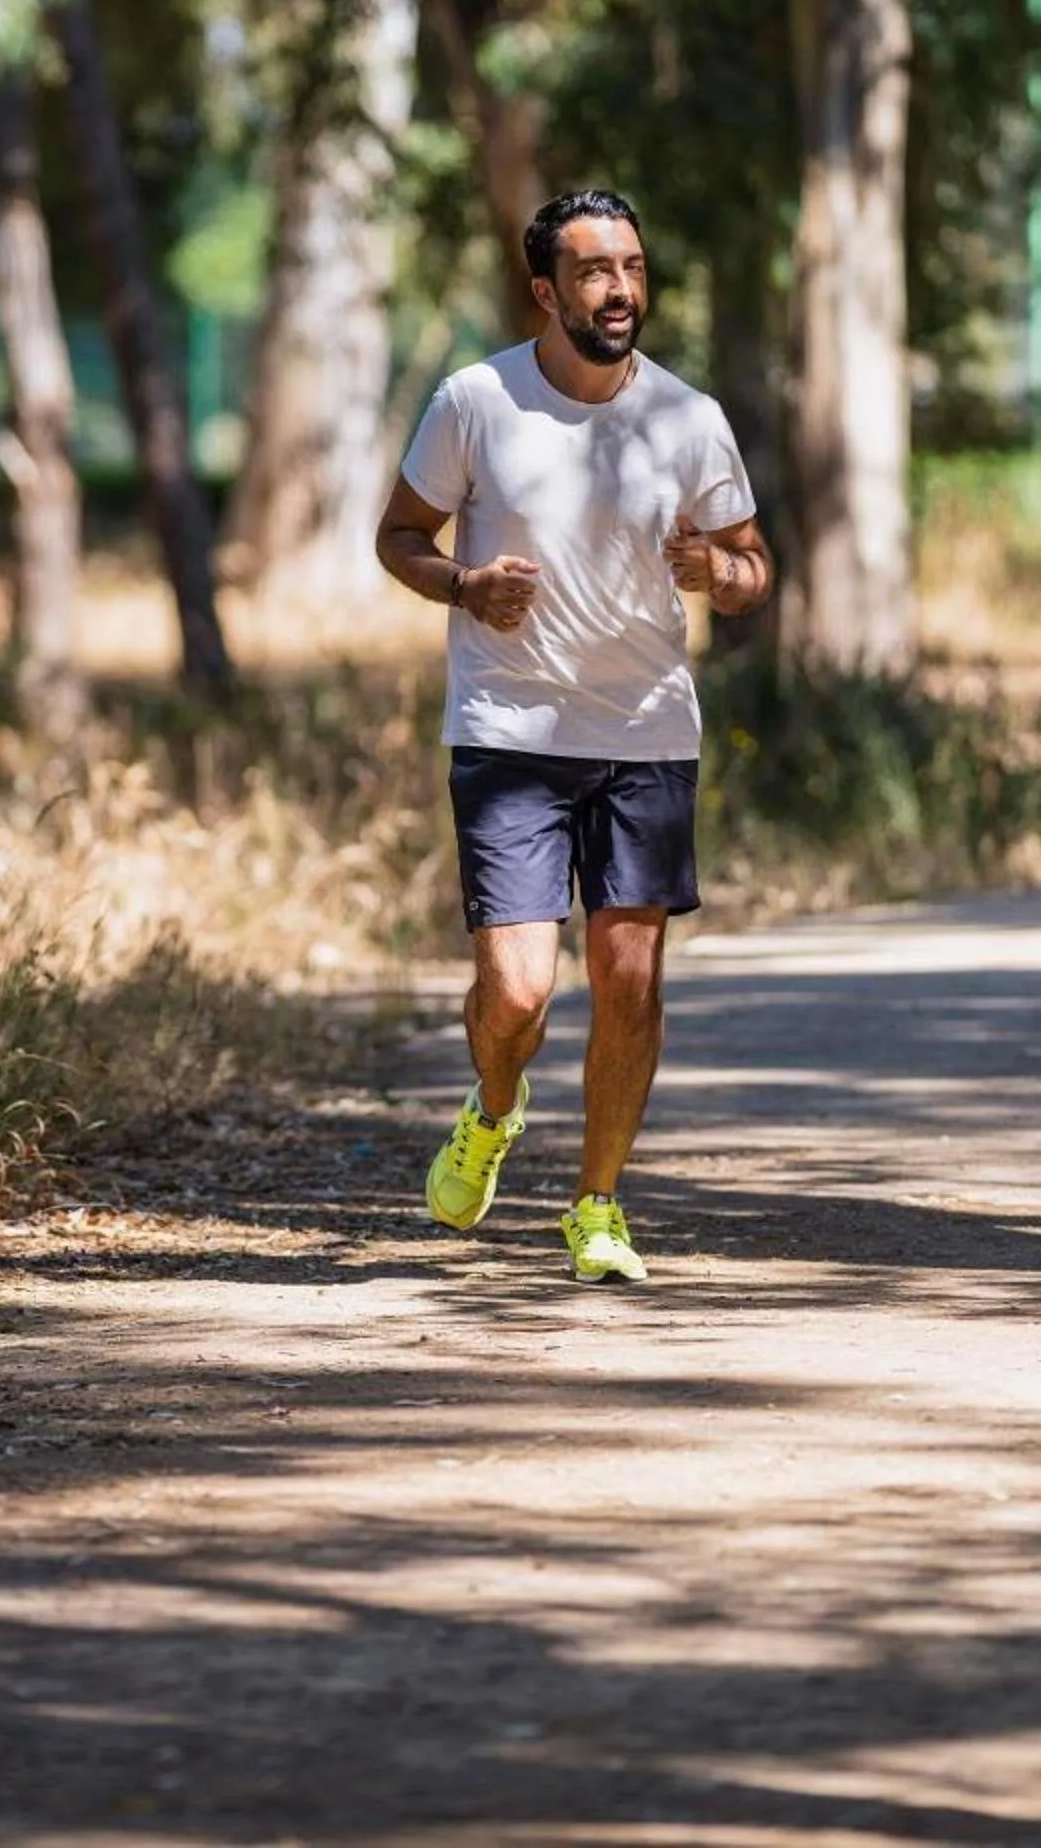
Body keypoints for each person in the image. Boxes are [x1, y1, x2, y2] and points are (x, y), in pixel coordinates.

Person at [375, 189, 771, 1283]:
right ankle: (492, 1110)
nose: (622, 289)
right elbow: (400, 537)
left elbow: (752, 568)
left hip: (646, 730)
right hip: (509, 727)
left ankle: (597, 1205)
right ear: (545, 290)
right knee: (516, 992)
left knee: (630, 979)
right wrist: (464, 586)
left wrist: (713, 574)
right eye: (596, 271)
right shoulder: (474, 400)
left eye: (635, 267)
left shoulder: (690, 417)